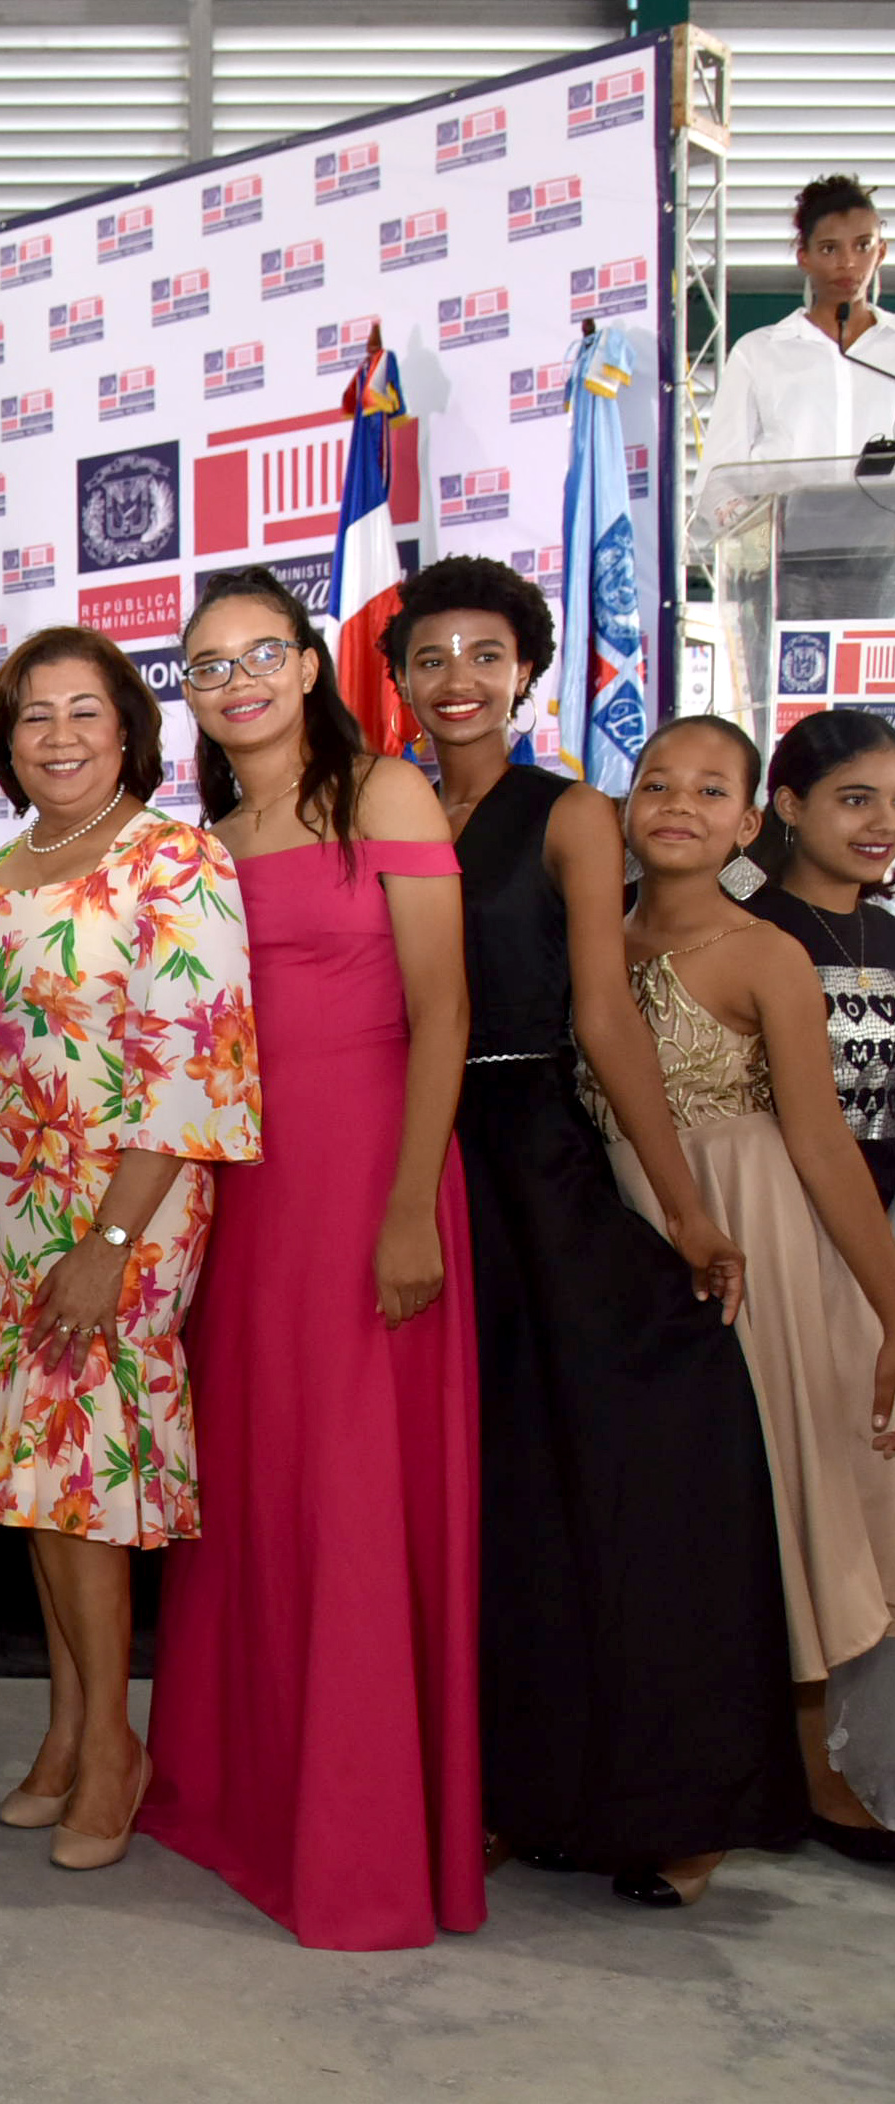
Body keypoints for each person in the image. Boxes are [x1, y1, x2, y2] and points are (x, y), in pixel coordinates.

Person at [392, 555, 802, 1907]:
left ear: (527, 670)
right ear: (395, 679)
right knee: (472, 1496)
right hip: (401, 1159)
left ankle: (674, 1796)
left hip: (531, 1156)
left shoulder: (570, 814)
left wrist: (682, 1210)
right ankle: (503, 1786)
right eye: (432, 655)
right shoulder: (374, 809)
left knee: (631, 1458)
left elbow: (605, 1013)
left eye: (485, 654)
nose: (458, 678)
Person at [135, 568, 483, 1949]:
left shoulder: (384, 796)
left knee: (353, 1498)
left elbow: (445, 1014)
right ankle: (250, 1800)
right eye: (205, 665)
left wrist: (409, 1210)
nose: (235, 683)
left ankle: (366, 1838)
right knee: (263, 1493)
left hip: (370, 1180)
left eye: (257, 654)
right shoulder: (210, 835)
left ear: (305, 663)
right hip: (250, 1197)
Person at [0, 627, 260, 1871]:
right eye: (34, 716)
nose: (60, 736)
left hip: (115, 1204)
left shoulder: (173, 857)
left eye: (85, 712)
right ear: (3, 741)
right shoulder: (8, 861)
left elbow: (198, 1062)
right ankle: (69, 1728)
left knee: (80, 1473)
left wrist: (112, 1239)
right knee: (35, 1479)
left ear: (129, 728)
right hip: (9, 1206)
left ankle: (115, 1745)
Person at [590, 714, 895, 1868]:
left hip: (758, 1239)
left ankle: (803, 1771)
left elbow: (821, 1145)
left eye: (708, 788)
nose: (676, 803)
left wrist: (888, 1306)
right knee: (677, 1518)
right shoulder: (596, 942)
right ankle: (681, 1771)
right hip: (629, 1242)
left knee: (781, 1496)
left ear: (748, 815)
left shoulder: (764, 951)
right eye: (656, 782)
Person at [746, 708, 895, 1203]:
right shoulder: (740, 925)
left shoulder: (886, 931)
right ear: (789, 804)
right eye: (857, 800)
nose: (884, 823)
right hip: (768, 1208)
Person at [703, 174, 891, 512]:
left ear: (881, 251)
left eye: (862, 245)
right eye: (829, 248)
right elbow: (716, 480)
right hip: (786, 558)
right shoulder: (757, 353)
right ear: (804, 257)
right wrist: (756, 535)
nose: (848, 262)